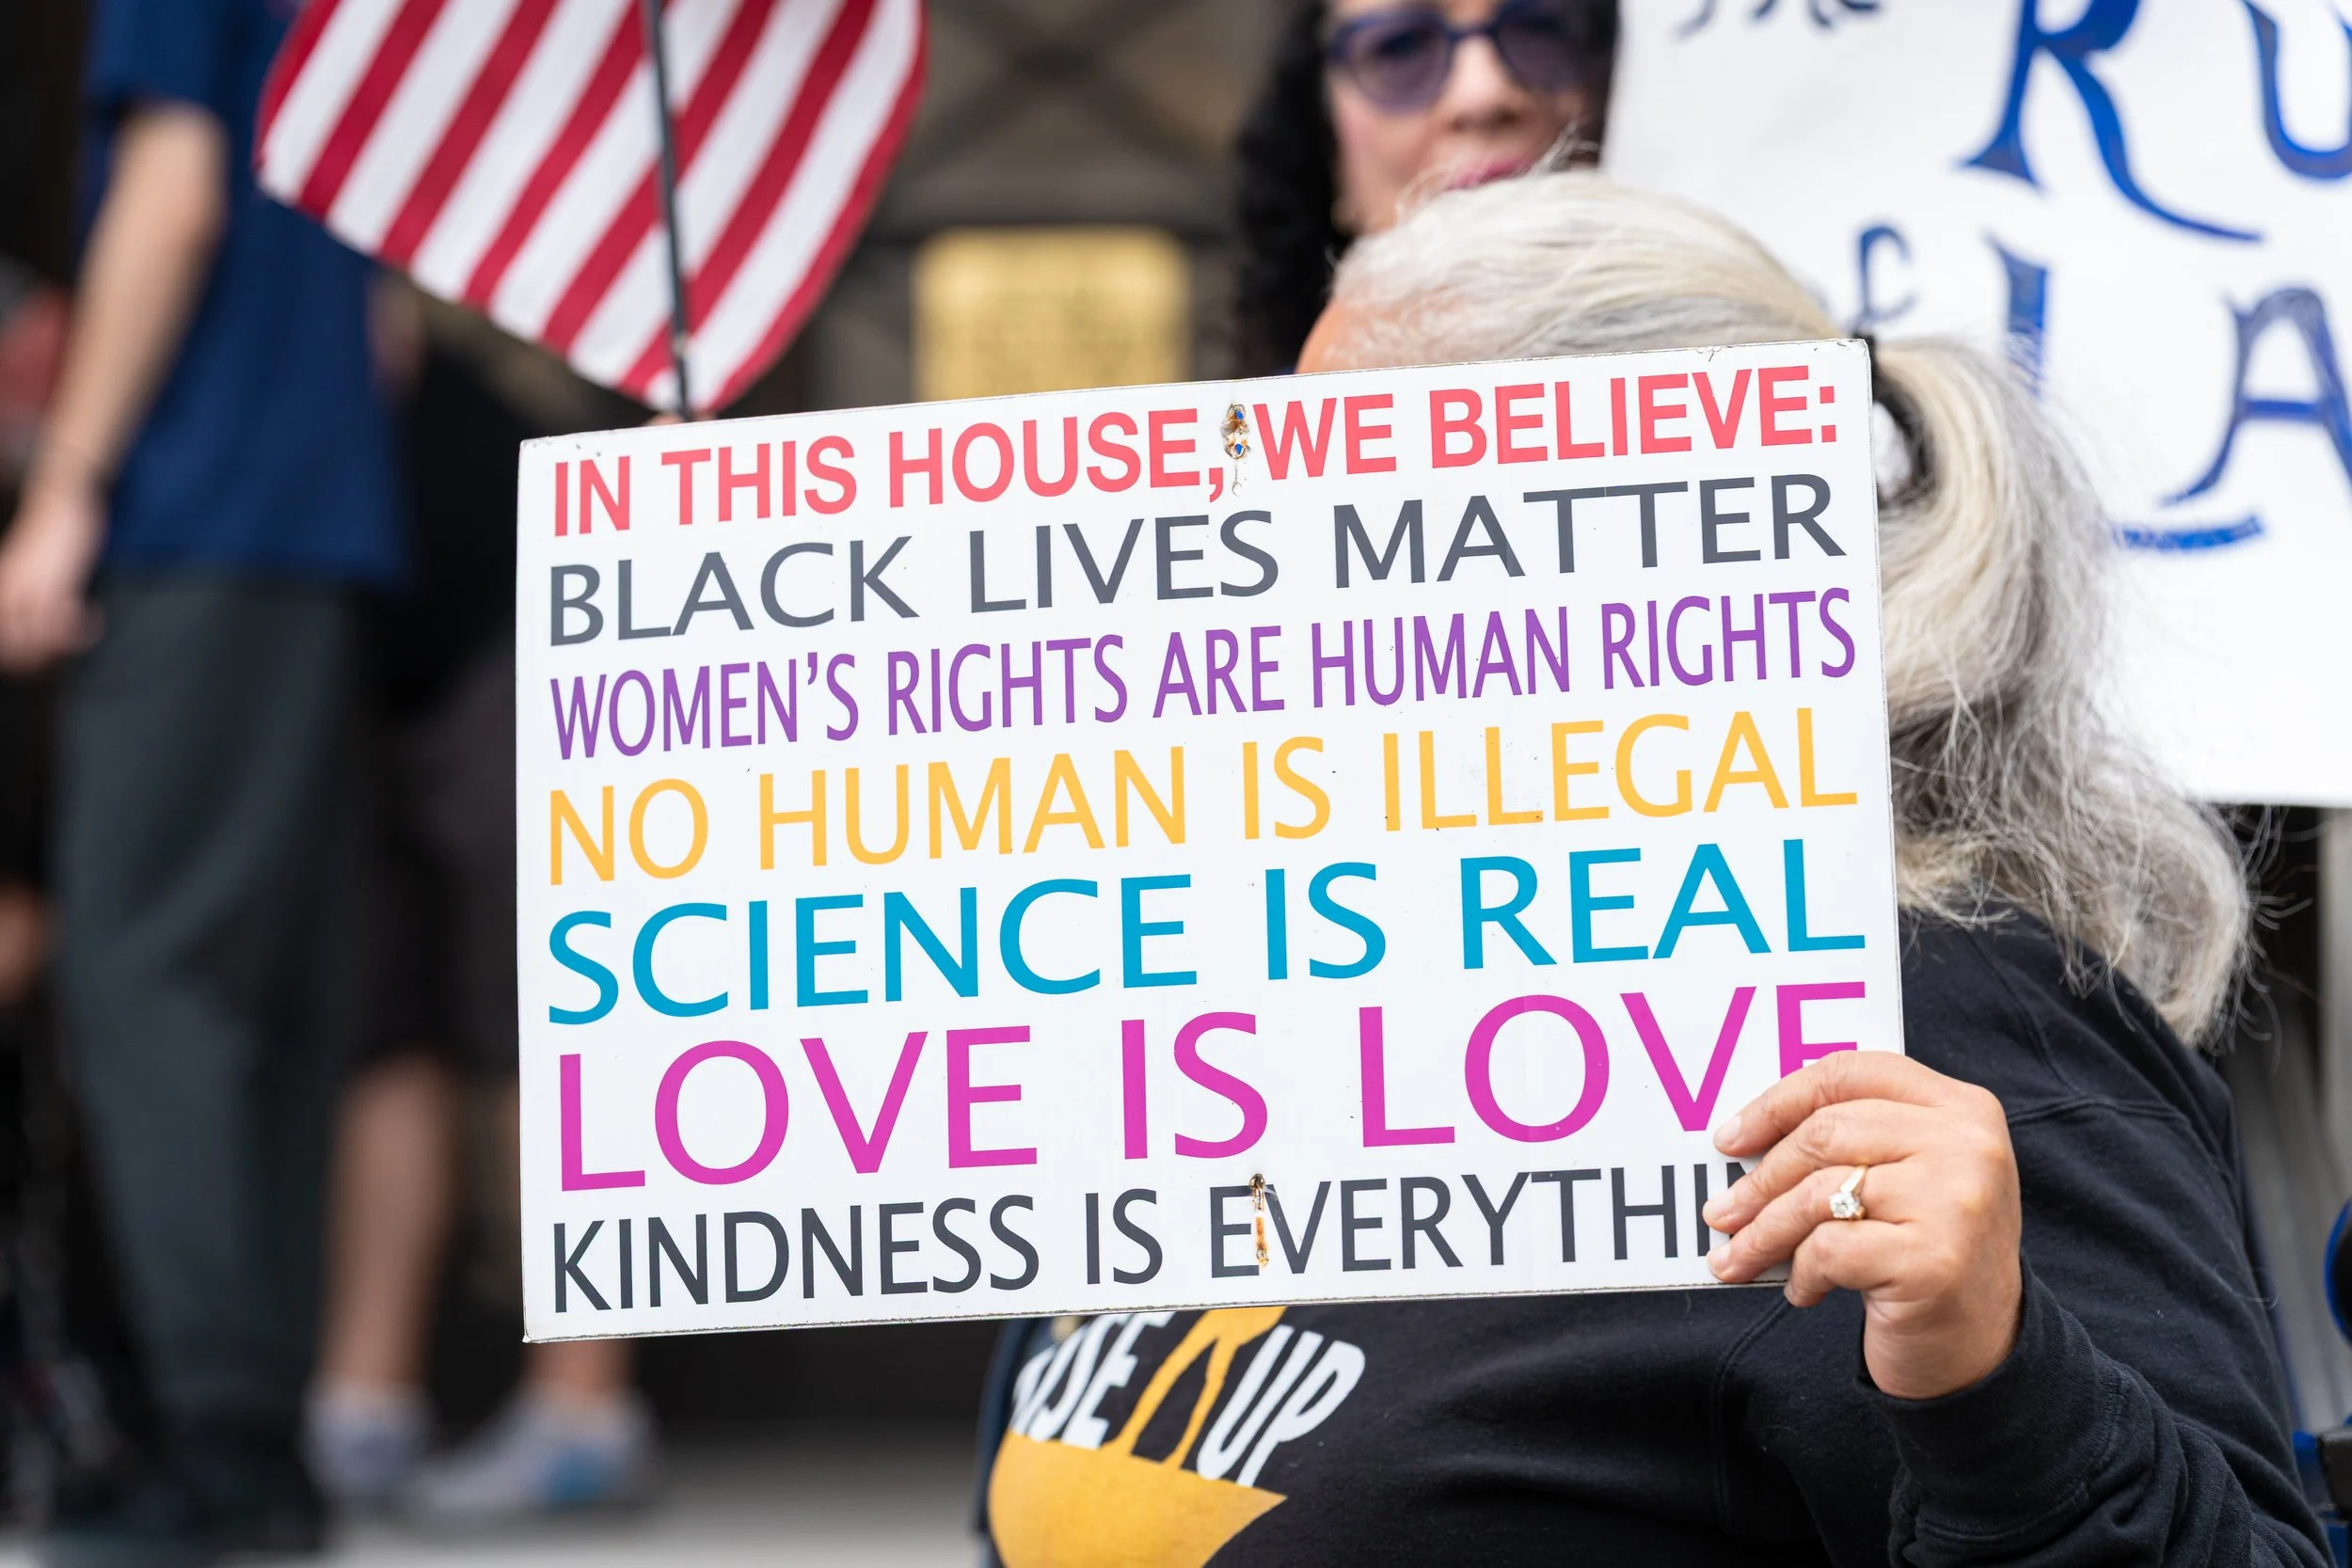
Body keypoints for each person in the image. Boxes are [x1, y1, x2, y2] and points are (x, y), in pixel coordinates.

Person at [973, 170, 2323, 1565]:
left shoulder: (1943, 1042)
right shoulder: (1282, 993)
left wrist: (1999, 1385)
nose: (1238, 577)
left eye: (1329, 517)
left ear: (1637, 548)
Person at [0, 0, 404, 1557]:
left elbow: (171, 200)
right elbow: (386, 311)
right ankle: (260, 1435)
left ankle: (212, 1430)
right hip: (319, 527)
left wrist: (69, 484)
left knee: (145, 971)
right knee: (269, 991)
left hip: (197, 519)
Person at [304, 309, 655, 1525]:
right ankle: (364, 1402)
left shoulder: (325, 287)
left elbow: (372, 345)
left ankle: (585, 1406)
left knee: (553, 1019)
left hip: (520, 622)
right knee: (383, 1033)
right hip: (364, 657)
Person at [1233, 0, 1615, 375]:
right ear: (1323, 142)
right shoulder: (1266, 416)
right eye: (1400, 46)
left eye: (1543, 26)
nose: (1483, 94)